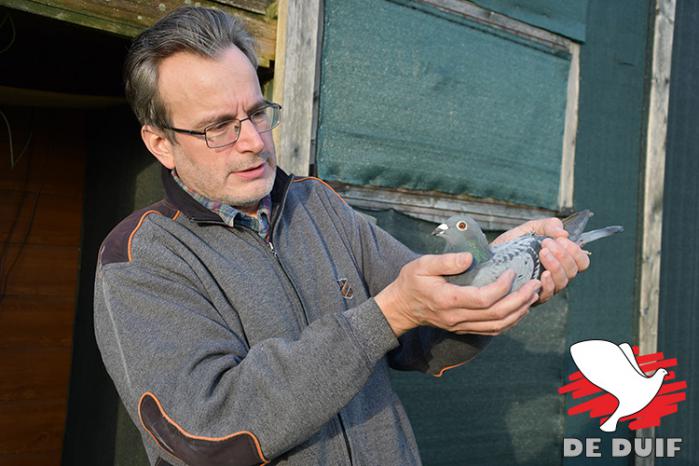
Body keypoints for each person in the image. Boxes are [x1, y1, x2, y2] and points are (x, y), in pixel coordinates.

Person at [94, 6, 589, 466]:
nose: (252, 142)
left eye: (257, 113)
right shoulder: (141, 259)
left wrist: (506, 275)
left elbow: (424, 331)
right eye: (218, 127)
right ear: (160, 144)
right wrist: (386, 315)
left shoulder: (317, 205)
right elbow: (204, 430)